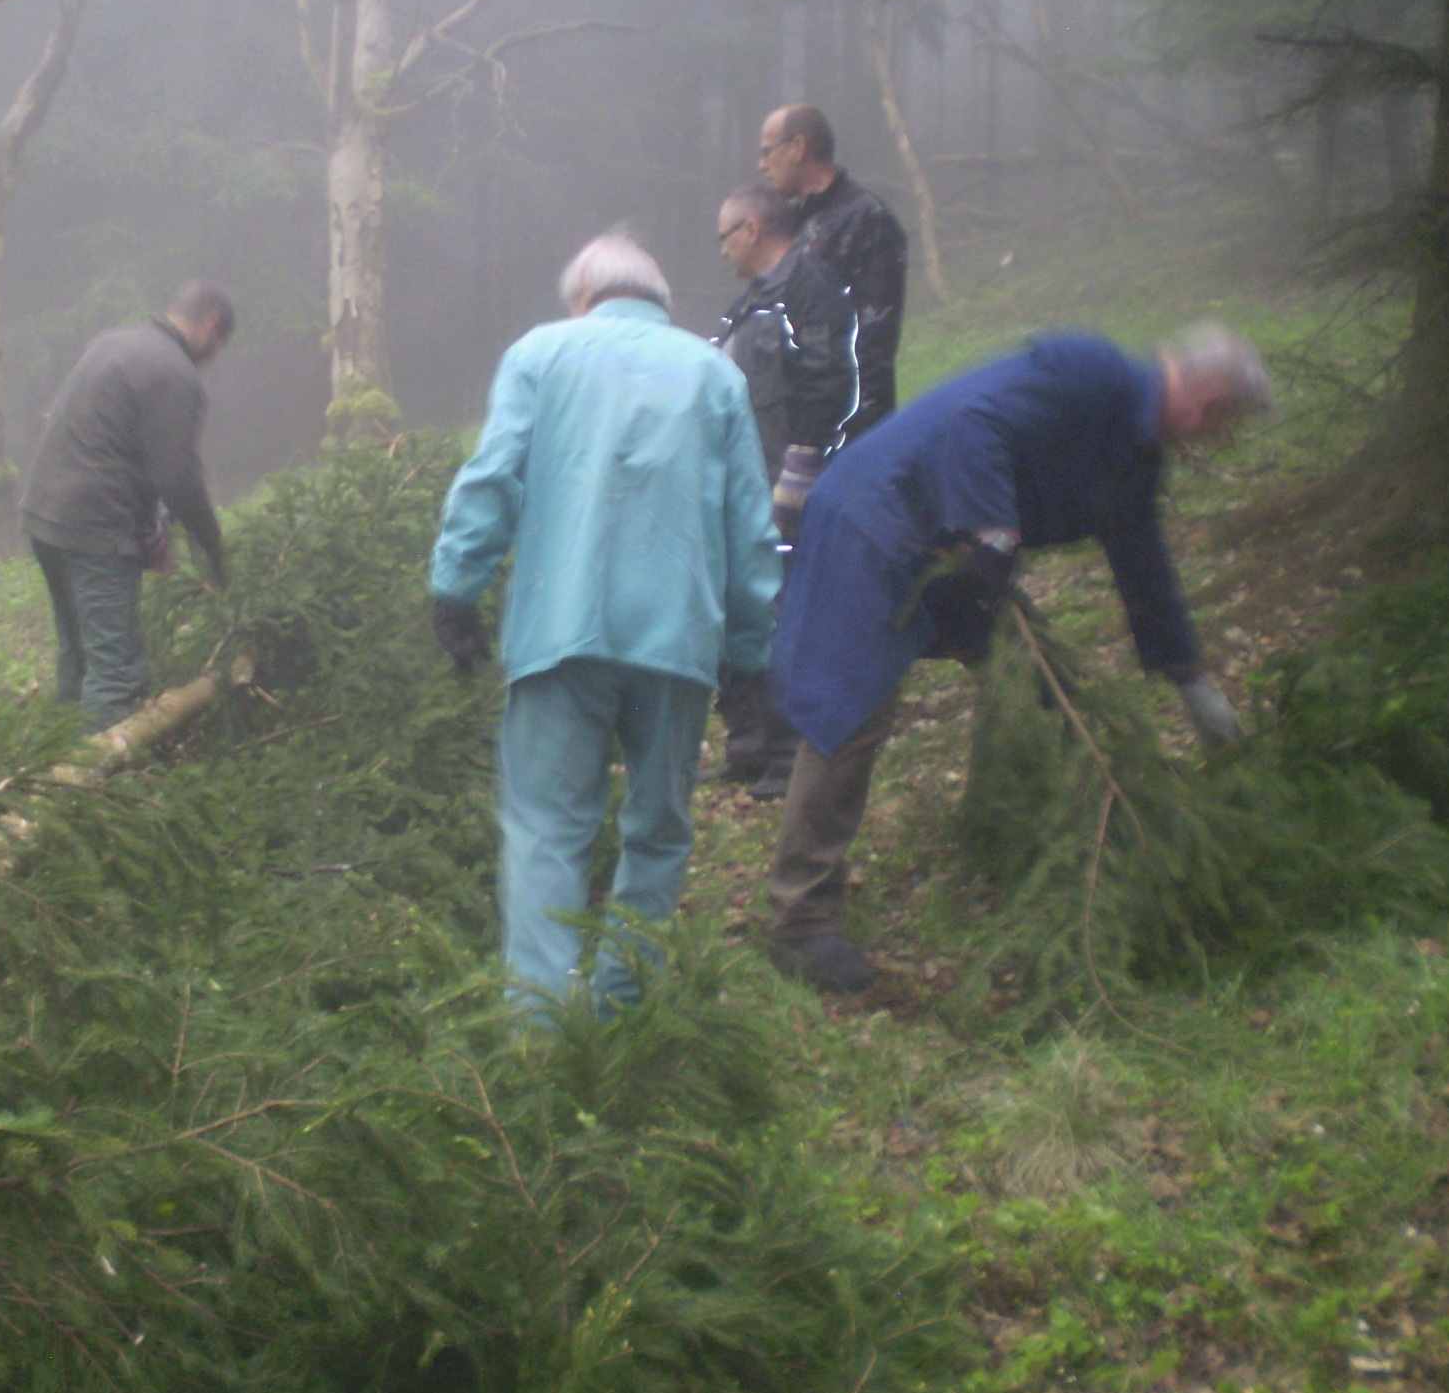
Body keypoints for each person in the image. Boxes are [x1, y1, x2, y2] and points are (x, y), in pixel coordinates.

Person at [765, 324, 1272, 994]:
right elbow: (975, 423)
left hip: (956, 545)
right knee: (852, 712)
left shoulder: (1137, 455)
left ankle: (1071, 856)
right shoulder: (1093, 374)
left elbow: (1143, 562)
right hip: (881, 517)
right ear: (1206, 401)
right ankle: (801, 923)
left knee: (1043, 690)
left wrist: (1190, 678)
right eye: (1223, 425)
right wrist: (993, 533)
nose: (1215, 440)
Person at [428, 231, 782, 1012]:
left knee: (547, 832)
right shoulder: (714, 375)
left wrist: (456, 587)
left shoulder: (541, 355)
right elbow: (750, 525)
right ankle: (624, 1009)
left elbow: (493, 477)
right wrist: (753, 654)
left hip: (561, 630)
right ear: (658, 298)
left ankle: (540, 1026)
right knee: (658, 830)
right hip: (678, 640)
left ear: (582, 297)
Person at [19, 281, 234, 733]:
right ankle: (99, 783)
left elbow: (124, 447)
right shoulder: (175, 372)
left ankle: (55, 763)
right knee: (115, 673)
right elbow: (177, 476)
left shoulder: (114, 343)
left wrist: (152, 527)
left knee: (78, 654)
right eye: (217, 347)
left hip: (45, 514)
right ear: (211, 325)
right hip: (94, 527)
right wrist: (214, 552)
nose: (212, 359)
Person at [710, 181, 860, 800]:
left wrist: (801, 469)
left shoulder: (810, 290)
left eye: (724, 236)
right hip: (744, 481)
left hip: (789, 483)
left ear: (750, 229)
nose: (720, 250)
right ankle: (747, 745)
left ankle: (785, 753)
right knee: (742, 605)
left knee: (782, 611)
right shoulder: (750, 302)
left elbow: (831, 381)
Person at [759, 104, 908, 437]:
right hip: (791, 421)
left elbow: (874, 340)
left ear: (797, 148)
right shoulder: (792, 224)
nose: (761, 164)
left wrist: (859, 432)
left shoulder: (867, 220)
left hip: (848, 428)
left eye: (767, 151)